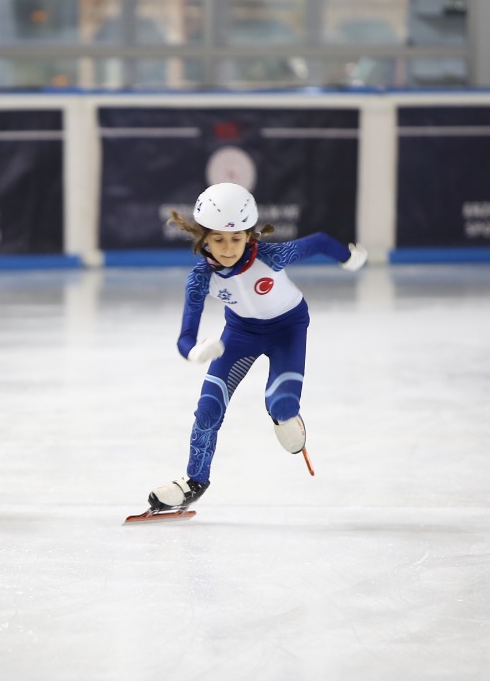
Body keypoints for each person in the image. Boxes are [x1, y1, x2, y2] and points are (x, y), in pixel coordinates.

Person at [145, 182, 368, 513]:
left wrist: (349, 258)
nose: (228, 248)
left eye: (236, 238)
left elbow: (320, 241)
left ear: (249, 236)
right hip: (240, 334)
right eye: (218, 239)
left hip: (287, 330)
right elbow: (185, 336)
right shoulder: (201, 278)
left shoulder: (271, 256)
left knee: (282, 406)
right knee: (207, 409)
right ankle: (194, 482)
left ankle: (284, 415)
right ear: (203, 238)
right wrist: (194, 351)